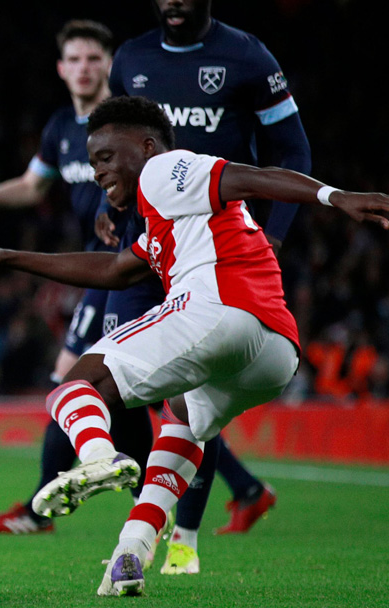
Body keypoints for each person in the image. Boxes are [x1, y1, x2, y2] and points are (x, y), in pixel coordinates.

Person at [0, 95, 389, 597]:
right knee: (182, 423)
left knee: (77, 384)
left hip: (219, 307)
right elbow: (116, 269)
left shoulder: (165, 170)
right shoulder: (172, 219)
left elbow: (247, 175)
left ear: (145, 146)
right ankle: (130, 554)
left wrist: (336, 197)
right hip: (274, 351)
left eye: (105, 157)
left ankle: (99, 456)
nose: (97, 172)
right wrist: (5, 258)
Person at [93, 0, 314, 573]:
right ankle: (158, 508)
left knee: (186, 385)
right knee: (153, 388)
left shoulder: (245, 56)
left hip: (220, 245)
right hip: (149, 240)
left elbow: (290, 150)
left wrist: (274, 239)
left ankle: (182, 536)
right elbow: (116, 138)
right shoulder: (133, 57)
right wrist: (109, 200)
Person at [0, 20, 156, 540]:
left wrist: (133, 209)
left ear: (109, 64)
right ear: (61, 68)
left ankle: (41, 506)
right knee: (126, 391)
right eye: (75, 59)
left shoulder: (127, 120)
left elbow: (163, 173)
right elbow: (32, 185)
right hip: (97, 266)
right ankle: (166, 500)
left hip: (129, 266)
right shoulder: (60, 128)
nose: (85, 68)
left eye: (94, 58)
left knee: (76, 378)